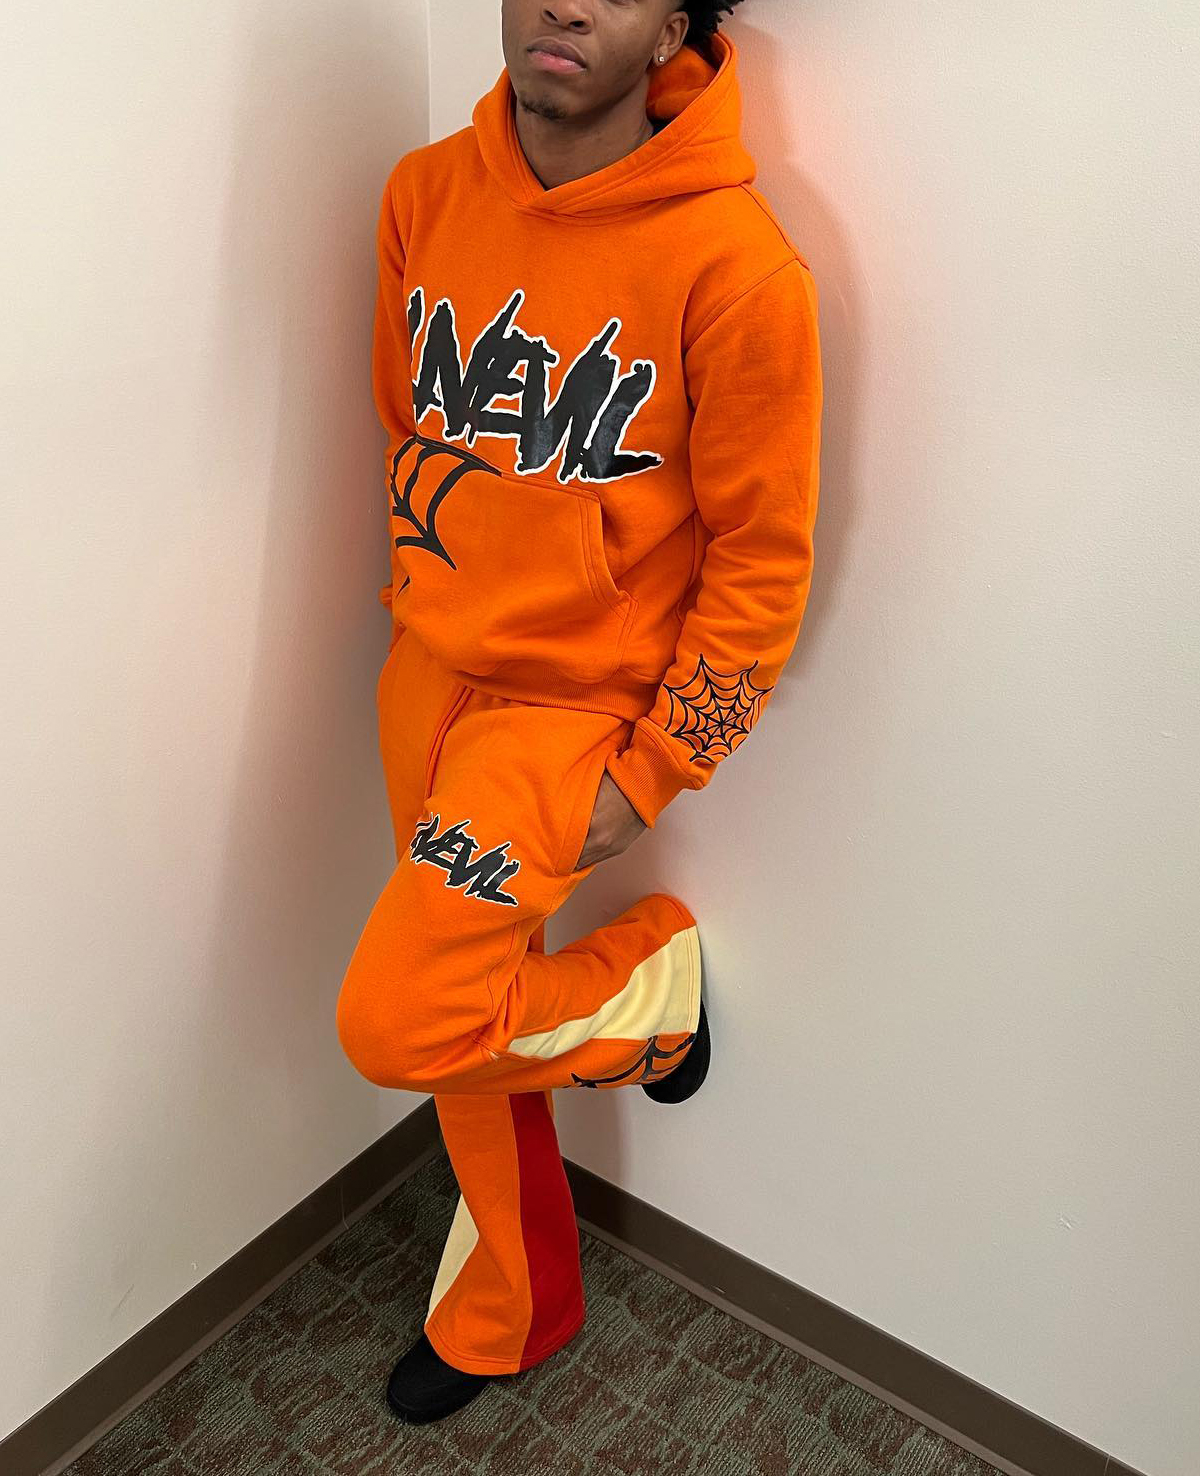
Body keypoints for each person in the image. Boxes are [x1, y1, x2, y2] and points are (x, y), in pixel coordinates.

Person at [336, 0, 822, 1425]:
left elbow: (762, 562)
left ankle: (650, 987)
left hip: (567, 717)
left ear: (672, 25)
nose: (566, 3)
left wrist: (655, 770)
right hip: (426, 668)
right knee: (466, 1016)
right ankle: (514, 1308)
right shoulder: (424, 192)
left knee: (404, 1021)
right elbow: (407, 426)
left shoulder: (738, 266)